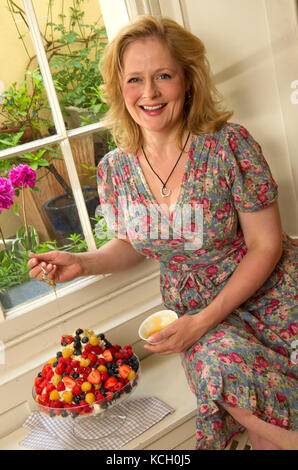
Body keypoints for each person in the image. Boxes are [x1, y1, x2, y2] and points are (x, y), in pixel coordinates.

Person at [28, 15, 298, 450]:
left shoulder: (230, 145)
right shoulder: (115, 169)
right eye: (135, 79)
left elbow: (265, 245)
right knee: (221, 369)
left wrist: (204, 320)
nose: (149, 93)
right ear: (119, 88)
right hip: (192, 314)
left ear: (188, 81)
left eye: (164, 76)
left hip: (273, 294)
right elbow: (134, 243)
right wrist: (83, 262)